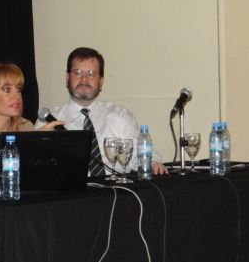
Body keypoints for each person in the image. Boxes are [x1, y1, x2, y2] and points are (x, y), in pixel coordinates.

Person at [36, 47, 168, 176]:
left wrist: (152, 162)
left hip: (115, 188)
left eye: (91, 74)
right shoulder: (49, 120)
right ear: (67, 77)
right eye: (77, 73)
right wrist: (40, 143)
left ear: (101, 81)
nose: (84, 80)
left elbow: (138, 155)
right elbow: (36, 167)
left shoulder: (120, 116)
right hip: (69, 189)